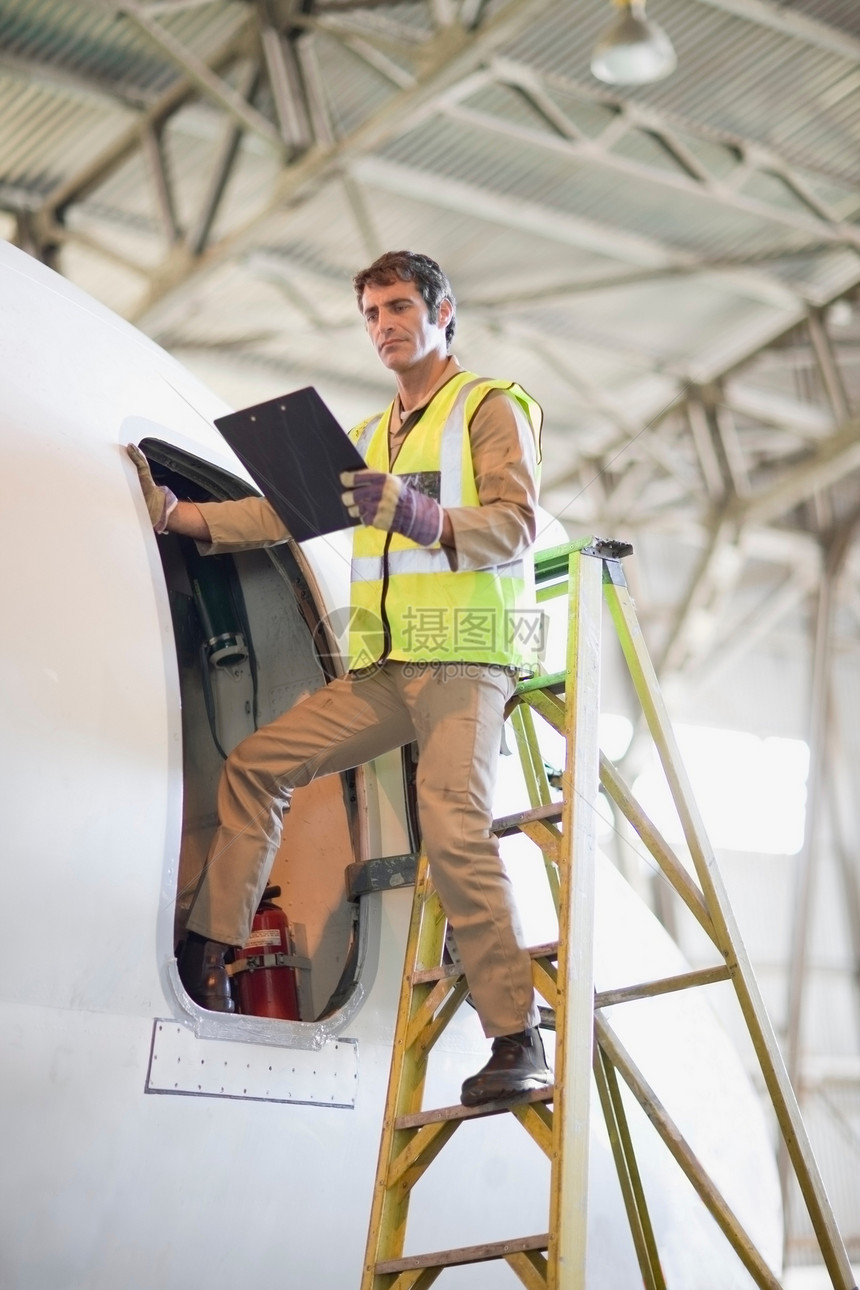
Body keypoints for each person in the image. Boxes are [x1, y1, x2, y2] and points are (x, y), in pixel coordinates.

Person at [128, 250, 551, 1107]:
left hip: (465, 658)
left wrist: (417, 512)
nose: (385, 325)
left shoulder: (488, 407)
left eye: (399, 307)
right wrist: (181, 517)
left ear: (442, 312)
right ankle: (209, 954)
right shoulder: (363, 438)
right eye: (370, 313)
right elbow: (280, 514)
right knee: (257, 762)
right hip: (386, 668)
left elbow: (515, 526)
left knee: (453, 824)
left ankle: (518, 1036)